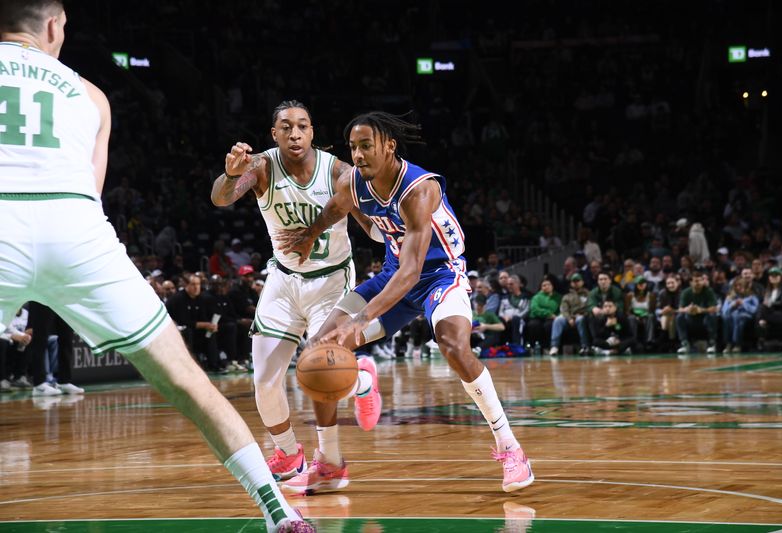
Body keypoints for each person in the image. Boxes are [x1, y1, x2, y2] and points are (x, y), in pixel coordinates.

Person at [0, 3, 311, 530]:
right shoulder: (92, 96)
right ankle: (280, 514)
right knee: (190, 382)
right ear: (54, 26)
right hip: (75, 228)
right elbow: (91, 193)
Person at [277, 111, 534, 494]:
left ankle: (510, 448)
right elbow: (336, 208)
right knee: (318, 350)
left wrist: (361, 319)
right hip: (392, 276)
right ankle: (331, 460)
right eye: (353, 147)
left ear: (389, 146)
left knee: (453, 345)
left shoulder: (419, 189)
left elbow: (413, 271)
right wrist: (310, 234)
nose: (359, 155)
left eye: (366, 146)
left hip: (439, 276)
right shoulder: (355, 182)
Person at [210, 100, 379, 483]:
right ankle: (288, 453)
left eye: (302, 126)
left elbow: (369, 225)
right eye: (285, 127)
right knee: (264, 379)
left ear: (312, 131)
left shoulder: (338, 171)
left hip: (332, 280)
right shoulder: (261, 166)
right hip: (284, 280)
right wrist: (228, 175)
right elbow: (221, 197)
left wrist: (396, 231)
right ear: (274, 134)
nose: (294, 133)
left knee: (323, 372)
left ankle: (355, 401)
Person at [676, 271, 719, 355]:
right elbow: (680, 309)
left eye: (700, 280)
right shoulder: (686, 292)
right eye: (696, 281)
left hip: (704, 318)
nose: (698, 283)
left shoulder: (708, 291)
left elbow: (714, 308)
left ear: (703, 281)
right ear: (691, 282)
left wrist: (701, 310)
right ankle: (685, 344)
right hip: (691, 318)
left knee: (712, 315)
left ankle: (712, 344)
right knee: (679, 317)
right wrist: (687, 309)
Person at [549, 273, 591, 356]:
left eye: (578, 281)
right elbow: (564, 309)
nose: (576, 283)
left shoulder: (588, 294)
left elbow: (589, 307)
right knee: (558, 319)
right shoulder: (567, 296)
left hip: (582, 316)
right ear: (571, 283)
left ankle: (585, 346)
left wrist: (583, 314)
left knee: (580, 319)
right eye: (574, 281)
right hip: (569, 317)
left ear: (582, 282)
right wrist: (569, 318)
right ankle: (554, 346)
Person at [721, 276, 758, 354]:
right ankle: (728, 344)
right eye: (736, 286)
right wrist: (732, 305)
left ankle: (737, 344)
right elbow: (724, 311)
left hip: (745, 315)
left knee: (738, 317)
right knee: (726, 317)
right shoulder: (729, 297)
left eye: (740, 285)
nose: (738, 288)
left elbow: (755, 310)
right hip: (732, 315)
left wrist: (743, 304)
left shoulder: (751, 296)